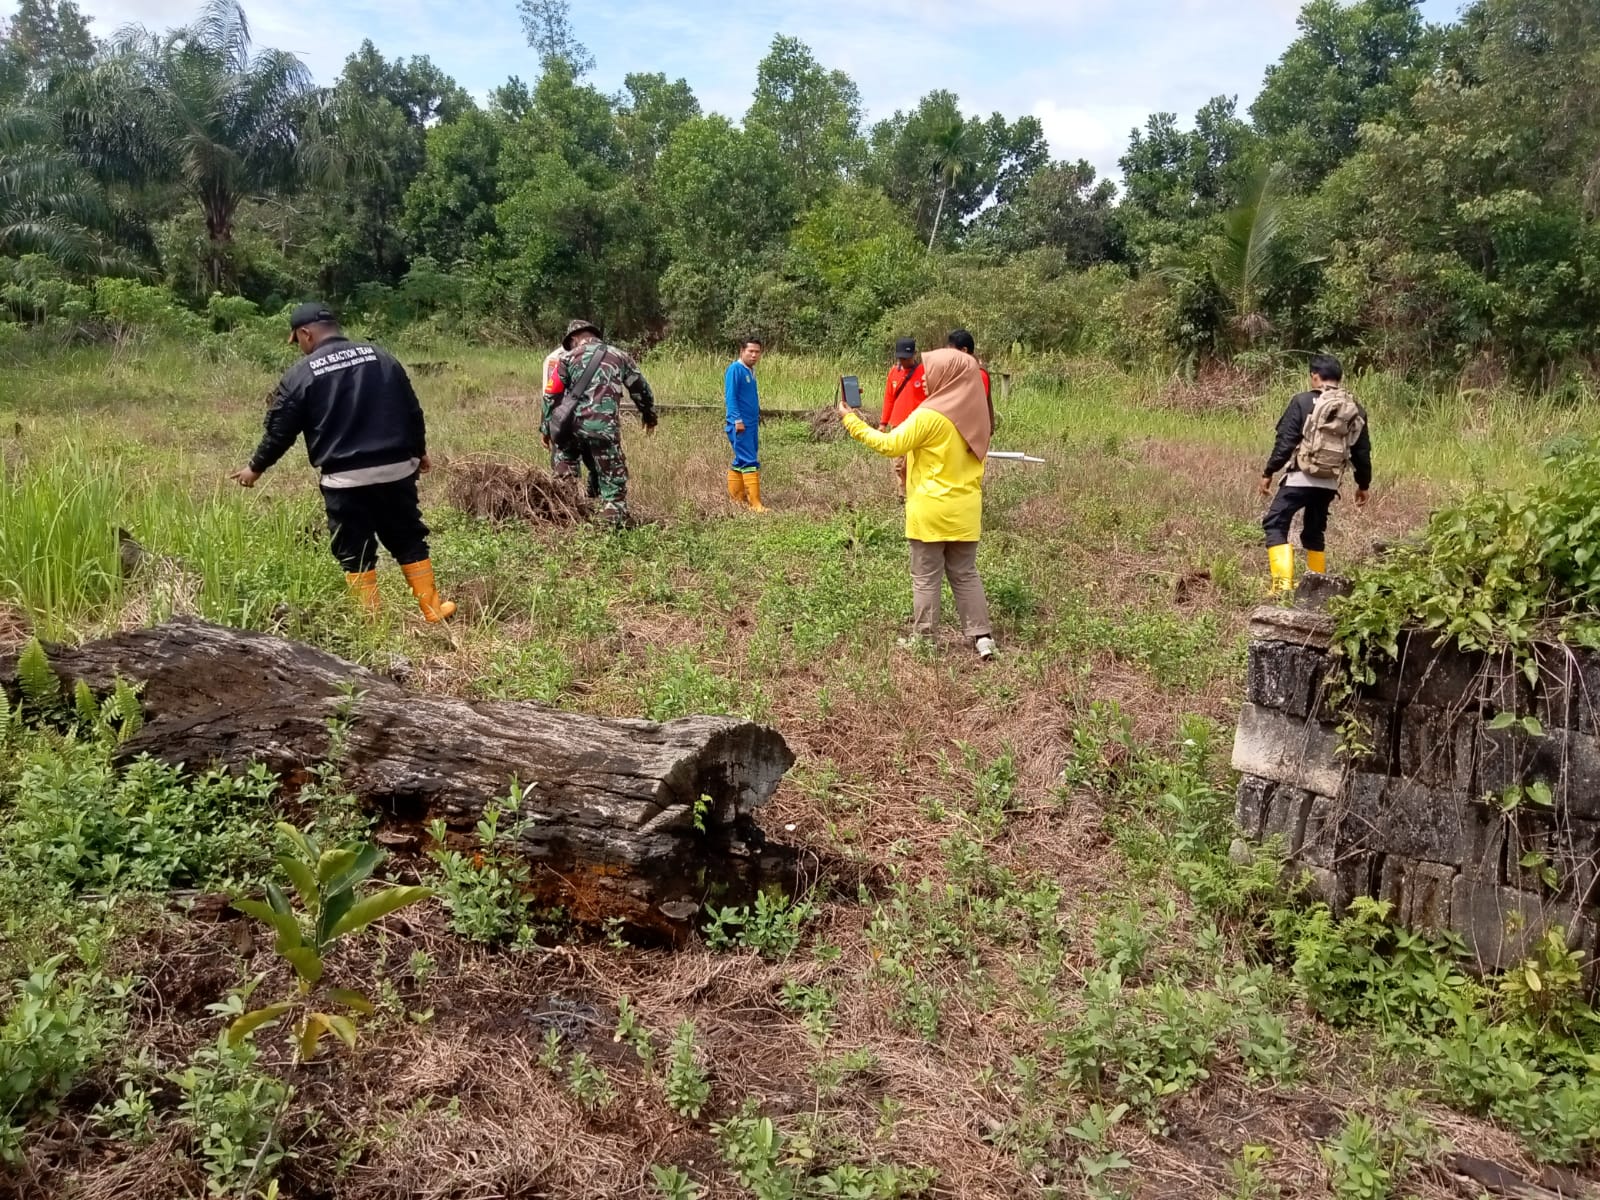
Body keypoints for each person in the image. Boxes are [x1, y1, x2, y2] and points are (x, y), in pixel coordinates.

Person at [230, 302, 454, 621]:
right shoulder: (382, 357)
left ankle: (370, 623)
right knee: (408, 537)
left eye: (298, 340)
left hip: (345, 481)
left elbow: (280, 431)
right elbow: (412, 410)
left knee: (353, 548)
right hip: (396, 470)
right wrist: (420, 451)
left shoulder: (302, 374)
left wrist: (255, 468)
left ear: (306, 333)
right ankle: (432, 609)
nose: (299, 347)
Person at [838, 348, 998, 660]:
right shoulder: (978, 416)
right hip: (966, 511)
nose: (924, 379)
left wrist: (850, 420)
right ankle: (983, 638)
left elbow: (889, 444)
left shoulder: (929, 417)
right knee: (965, 573)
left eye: (931, 372)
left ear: (948, 376)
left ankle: (925, 639)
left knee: (925, 576)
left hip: (930, 510)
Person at [1258, 352, 1372, 592]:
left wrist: (1269, 472)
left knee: (1275, 523)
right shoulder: (1355, 409)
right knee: (1314, 532)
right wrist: (1363, 485)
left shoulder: (1302, 401)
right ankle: (1317, 591)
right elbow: (1362, 452)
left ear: (1315, 376)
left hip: (1299, 478)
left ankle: (1281, 586)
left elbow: (1285, 442)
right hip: (1328, 483)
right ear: (1339, 378)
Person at [543, 318, 658, 528]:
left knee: (564, 477)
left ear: (574, 339)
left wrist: (546, 429)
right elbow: (641, 389)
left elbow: (551, 396)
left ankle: (565, 516)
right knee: (612, 478)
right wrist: (649, 416)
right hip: (602, 428)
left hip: (569, 429)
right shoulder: (619, 356)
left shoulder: (566, 358)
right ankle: (611, 520)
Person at [543, 342, 600, 500]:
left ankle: (571, 505)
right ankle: (593, 502)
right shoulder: (606, 356)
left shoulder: (557, 357)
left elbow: (549, 396)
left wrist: (546, 428)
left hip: (565, 423)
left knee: (565, 470)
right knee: (599, 468)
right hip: (595, 423)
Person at [882, 336, 927, 500]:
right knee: (898, 463)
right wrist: (883, 423)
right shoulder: (894, 372)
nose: (904, 361)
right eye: (901, 358)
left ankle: (915, 490)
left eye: (907, 358)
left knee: (912, 462)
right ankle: (902, 493)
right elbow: (889, 399)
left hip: (918, 424)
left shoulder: (924, 372)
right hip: (897, 424)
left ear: (914, 354)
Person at [724, 336, 766, 511]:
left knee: (741, 459)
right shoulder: (735, 369)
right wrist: (737, 420)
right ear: (742, 351)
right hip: (740, 424)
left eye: (757, 352)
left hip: (751, 423)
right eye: (751, 351)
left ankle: (737, 498)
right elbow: (731, 397)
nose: (754, 355)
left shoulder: (750, 371)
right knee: (749, 460)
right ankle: (755, 503)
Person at [947, 329, 990, 402]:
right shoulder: (964, 370)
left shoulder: (979, 374)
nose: (949, 356)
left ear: (964, 350)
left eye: (952, 352)